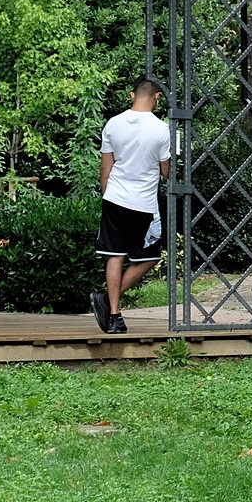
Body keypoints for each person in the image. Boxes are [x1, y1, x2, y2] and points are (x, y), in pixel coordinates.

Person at [91, 76, 172, 334]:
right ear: (157, 97)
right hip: (143, 204)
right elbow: (166, 171)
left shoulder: (113, 124)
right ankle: (107, 301)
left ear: (131, 94)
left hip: (114, 198)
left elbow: (106, 166)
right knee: (150, 257)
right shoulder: (161, 129)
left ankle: (113, 315)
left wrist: (108, 195)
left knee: (115, 254)